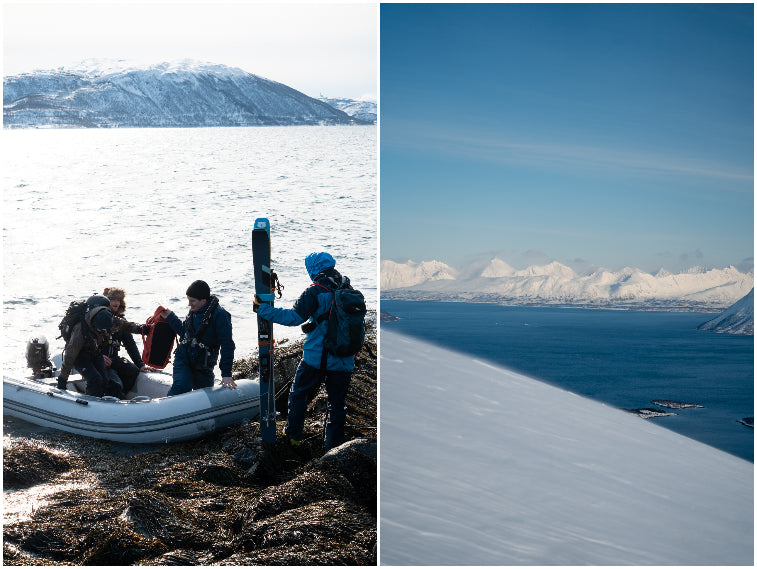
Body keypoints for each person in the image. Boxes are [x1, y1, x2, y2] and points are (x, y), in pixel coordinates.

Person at [253, 252, 354, 452]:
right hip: (344, 359)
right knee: (337, 404)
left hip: (316, 358)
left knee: (298, 394)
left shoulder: (315, 291)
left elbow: (293, 318)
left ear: (313, 269)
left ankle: (293, 436)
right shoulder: (348, 289)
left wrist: (262, 309)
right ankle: (333, 449)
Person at [161, 280, 236, 396]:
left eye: (192, 301)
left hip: (204, 365)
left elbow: (227, 345)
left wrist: (226, 374)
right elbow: (185, 333)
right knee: (181, 386)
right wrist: (170, 317)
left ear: (204, 300)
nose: (189, 304)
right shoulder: (194, 311)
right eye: (188, 300)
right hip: (184, 358)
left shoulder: (220, 315)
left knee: (204, 395)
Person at [101, 287, 155, 395]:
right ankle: (111, 396)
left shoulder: (122, 322)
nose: (116, 303)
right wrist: (98, 356)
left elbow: (130, 344)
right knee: (114, 382)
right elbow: (86, 344)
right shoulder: (98, 319)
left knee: (132, 371)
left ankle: (121, 396)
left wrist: (140, 365)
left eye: (118, 300)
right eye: (113, 299)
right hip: (98, 359)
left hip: (113, 359)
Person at [57, 303, 115, 397]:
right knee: (95, 378)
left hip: (94, 352)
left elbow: (123, 324)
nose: (103, 331)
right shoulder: (80, 331)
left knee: (104, 379)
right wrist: (62, 380)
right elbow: (70, 356)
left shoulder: (107, 319)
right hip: (79, 356)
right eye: (100, 329)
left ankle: (101, 398)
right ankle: (92, 400)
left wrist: (140, 329)